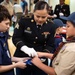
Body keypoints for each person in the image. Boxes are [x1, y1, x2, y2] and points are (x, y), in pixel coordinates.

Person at [12, 1, 57, 75]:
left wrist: (43, 54)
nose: (40, 19)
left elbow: (50, 44)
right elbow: (16, 37)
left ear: (48, 14)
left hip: (40, 61)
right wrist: (24, 48)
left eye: (43, 17)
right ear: (33, 12)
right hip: (22, 57)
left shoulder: (51, 26)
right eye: (37, 16)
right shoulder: (24, 21)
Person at [0, 5, 30, 75]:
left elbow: (6, 58)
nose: (8, 26)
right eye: (6, 24)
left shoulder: (3, 36)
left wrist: (20, 59)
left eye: (9, 23)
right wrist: (16, 65)